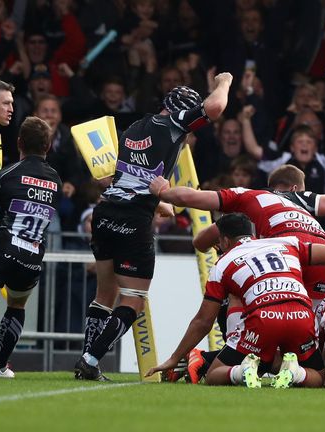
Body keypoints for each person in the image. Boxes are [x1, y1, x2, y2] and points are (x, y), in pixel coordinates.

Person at [75, 73, 234, 381]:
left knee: (104, 292)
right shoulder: (173, 125)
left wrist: (160, 203)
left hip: (105, 213)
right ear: (182, 111)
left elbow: (125, 179)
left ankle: (86, 359)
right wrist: (224, 82)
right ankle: (91, 358)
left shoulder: (135, 127)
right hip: (132, 221)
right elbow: (215, 108)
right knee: (133, 299)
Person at [145, 213, 325, 388]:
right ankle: (294, 373)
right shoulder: (285, 243)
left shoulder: (222, 263)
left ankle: (243, 371)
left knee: (214, 374)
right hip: (301, 313)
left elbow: (203, 321)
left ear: (223, 240)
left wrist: (175, 357)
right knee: (317, 377)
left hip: (263, 320)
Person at [150, 163, 325, 309]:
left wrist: (164, 192)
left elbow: (194, 200)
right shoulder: (302, 199)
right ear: (296, 188)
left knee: (245, 299)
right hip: (321, 255)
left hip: (287, 255)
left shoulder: (250, 196)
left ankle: (237, 357)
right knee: (310, 322)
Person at [0, 117, 61, 377]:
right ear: (48, 146)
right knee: (16, 307)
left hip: (3, 249)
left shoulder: (6, 174)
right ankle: (1, 366)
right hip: (32, 256)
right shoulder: (56, 181)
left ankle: (1, 367)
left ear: (19, 142)